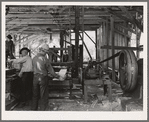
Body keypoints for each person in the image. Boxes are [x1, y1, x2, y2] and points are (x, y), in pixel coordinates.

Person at [31, 44, 62, 111]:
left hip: (35, 78)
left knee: (35, 94)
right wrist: (58, 76)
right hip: (42, 78)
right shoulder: (45, 59)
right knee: (43, 95)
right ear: (45, 52)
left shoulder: (34, 58)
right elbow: (51, 71)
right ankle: (43, 110)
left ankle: (33, 110)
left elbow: (33, 68)